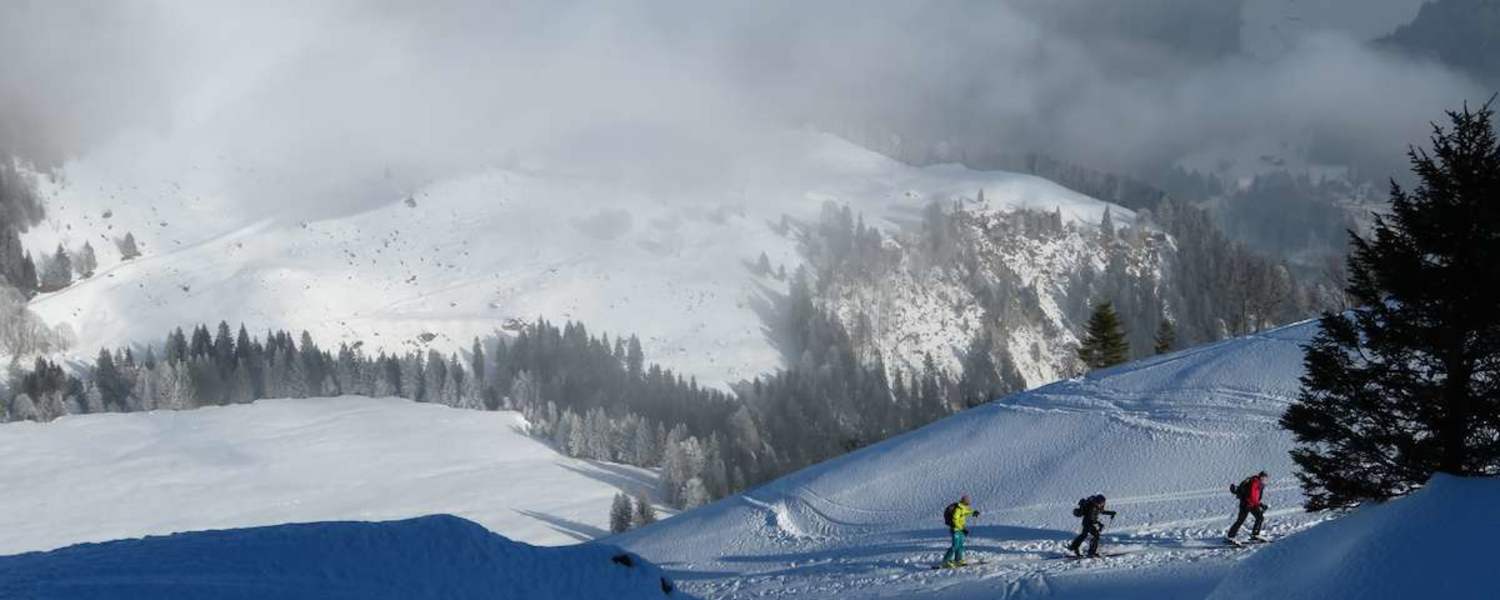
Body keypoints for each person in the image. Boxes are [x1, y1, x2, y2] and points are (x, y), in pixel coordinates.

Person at [1226, 471, 1269, 543]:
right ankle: (1230, 536)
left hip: (1252, 504)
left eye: (1266, 479)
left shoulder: (1259, 484)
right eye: (1264, 478)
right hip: (1246, 504)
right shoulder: (1255, 483)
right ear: (1260, 477)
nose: (1265, 480)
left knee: (1260, 517)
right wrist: (1260, 504)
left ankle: (1255, 534)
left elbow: (1256, 497)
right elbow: (1252, 496)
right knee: (1241, 520)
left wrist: (1259, 504)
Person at [940, 495, 980, 568]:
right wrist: (962, 528)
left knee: (960, 546)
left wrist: (973, 512)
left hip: (961, 530)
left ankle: (958, 560)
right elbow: (955, 520)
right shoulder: (958, 509)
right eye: (967, 502)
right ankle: (945, 561)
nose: (968, 504)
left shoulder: (963, 508)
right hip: (955, 530)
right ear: (964, 502)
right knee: (955, 546)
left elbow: (966, 512)